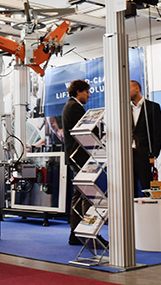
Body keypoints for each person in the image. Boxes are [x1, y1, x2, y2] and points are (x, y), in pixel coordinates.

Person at [62, 79, 93, 245]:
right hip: (79, 157)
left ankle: (76, 233)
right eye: (86, 92)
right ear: (78, 92)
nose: (89, 95)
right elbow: (85, 131)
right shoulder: (74, 107)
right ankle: (86, 233)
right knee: (86, 195)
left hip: (76, 157)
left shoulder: (71, 106)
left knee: (79, 194)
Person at [130, 80, 161, 197]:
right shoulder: (124, 109)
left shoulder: (152, 107)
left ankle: (151, 208)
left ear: (137, 89)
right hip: (128, 155)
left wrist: (154, 153)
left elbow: (158, 132)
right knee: (130, 190)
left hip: (144, 155)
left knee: (147, 189)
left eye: (128, 88)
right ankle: (132, 209)